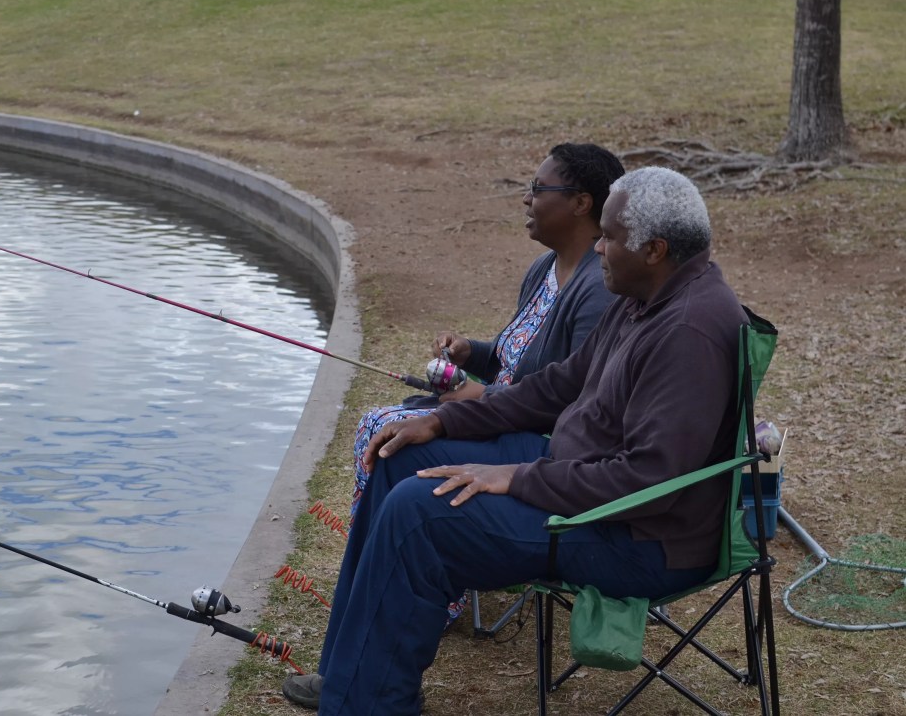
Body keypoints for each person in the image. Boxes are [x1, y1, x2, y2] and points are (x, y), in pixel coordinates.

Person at [283, 167, 747, 714]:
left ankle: (366, 703)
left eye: (610, 235)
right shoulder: (643, 294)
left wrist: (518, 478)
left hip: (636, 535)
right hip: (577, 477)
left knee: (420, 514)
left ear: (655, 249)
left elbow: (650, 481)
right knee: (400, 458)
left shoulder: (688, 331)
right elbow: (556, 387)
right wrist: (444, 421)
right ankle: (349, 674)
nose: (598, 246)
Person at [350, 142, 624, 625]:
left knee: (386, 428)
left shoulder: (598, 290)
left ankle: (428, 589)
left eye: (539, 189)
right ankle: (398, 586)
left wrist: (483, 396)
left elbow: (574, 395)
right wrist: (468, 352)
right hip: (498, 413)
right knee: (382, 425)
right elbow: (509, 354)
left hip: (536, 438)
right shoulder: (544, 269)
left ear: (581, 203)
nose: (527, 200)